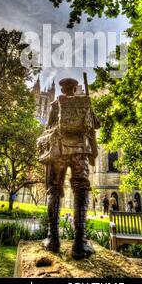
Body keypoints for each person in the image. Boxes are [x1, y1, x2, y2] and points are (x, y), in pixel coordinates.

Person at [38, 77, 100, 259]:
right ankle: (79, 244)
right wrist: (89, 106)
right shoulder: (85, 102)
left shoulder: (55, 104)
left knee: (54, 190)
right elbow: (96, 124)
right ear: (74, 89)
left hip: (59, 152)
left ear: (62, 89)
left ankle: (53, 240)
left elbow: (49, 128)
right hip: (80, 152)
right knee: (81, 190)